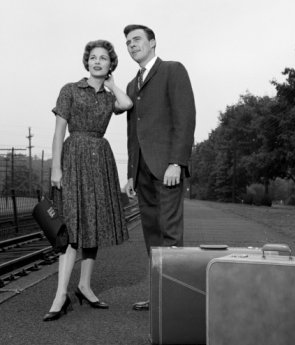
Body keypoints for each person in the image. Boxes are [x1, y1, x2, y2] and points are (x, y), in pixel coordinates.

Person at [43, 40, 133, 321]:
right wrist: (56, 168)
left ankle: (84, 286)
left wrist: (113, 84)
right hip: (72, 157)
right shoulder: (69, 89)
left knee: (93, 222)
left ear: (110, 65)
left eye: (103, 58)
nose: (97, 62)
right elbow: (59, 132)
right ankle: (61, 295)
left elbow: (127, 103)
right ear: (86, 62)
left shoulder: (109, 97)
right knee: (70, 226)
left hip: (100, 159)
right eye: (92, 57)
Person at [123, 25, 196, 311]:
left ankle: (174, 300)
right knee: (152, 235)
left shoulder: (173, 70)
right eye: (128, 42)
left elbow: (185, 117)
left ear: (152, 43)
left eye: (137, 39)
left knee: (170, 234)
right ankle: (158, 296)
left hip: (167, 167)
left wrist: (177, 161)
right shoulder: (131, 85)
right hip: (142, 171)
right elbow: (133, 131)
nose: (132, 45)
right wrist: (130, 172)